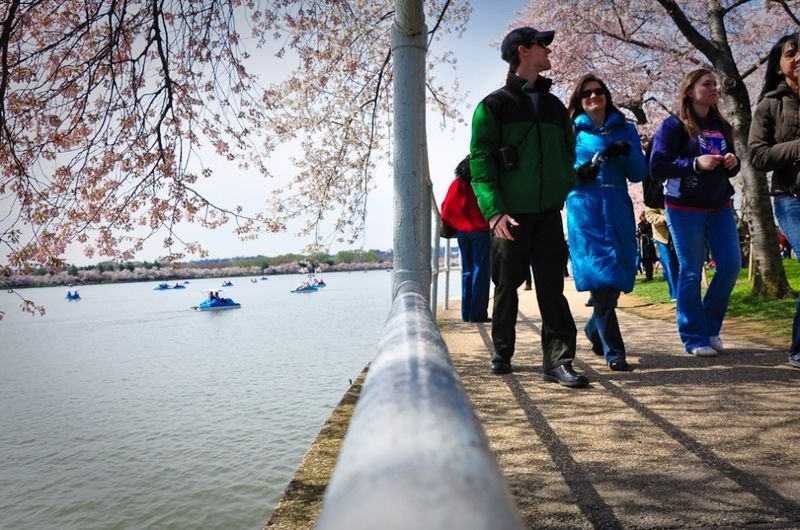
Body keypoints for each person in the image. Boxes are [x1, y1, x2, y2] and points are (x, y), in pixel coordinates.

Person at [470, 26, 588, 387]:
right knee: (507, 284)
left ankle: (558, 361)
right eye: (543, 45)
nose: (550, 51)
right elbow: (480, 162)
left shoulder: (555, 107)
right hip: (510, 215)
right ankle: (502, 351)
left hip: (548, 212)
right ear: (524, 51)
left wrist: (563, 183)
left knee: (552, 286)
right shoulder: (493, 106)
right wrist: (494, 212)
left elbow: (570, 153)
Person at [650, 68, 741, 357]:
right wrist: (694, 164)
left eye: (716, 83)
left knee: (730, 265)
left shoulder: (722, 126)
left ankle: (710, 327)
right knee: (690, 271)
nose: (715, 88)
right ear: (690, 91)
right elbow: (658, 165)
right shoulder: (673, 126)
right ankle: (693, 336)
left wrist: (732, 161)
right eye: (707, 83)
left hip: (719, 205)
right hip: (683, 206)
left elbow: (735, 166)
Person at [565, 74, 647, 372]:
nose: (593, 96)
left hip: (617, 207)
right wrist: (580, 170)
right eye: (586, 93)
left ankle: (593, 329)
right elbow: (562, 168)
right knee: (600, 281)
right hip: (585, 209)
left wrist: (627, 152)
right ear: (579, 99)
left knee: (616, 279)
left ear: (606, 95)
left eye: (599, 91)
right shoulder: (571, 130)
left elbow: (639, 173)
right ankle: (615, 352)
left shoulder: (626, 129)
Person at [748, 33, 800, 369]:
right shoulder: (771, 104)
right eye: (792, 53)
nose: (799, 58)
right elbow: (757, 154)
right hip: (791, 199)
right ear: (780, 66)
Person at [440, 155, 491, 323]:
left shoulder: (456, 184)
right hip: (480, 231)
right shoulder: (479, 183)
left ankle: (466, 312)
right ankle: (477, 313)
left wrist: (456, 223)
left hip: (462, 232)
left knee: (467, 271)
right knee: (481, 271)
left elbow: (446, 207)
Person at [645, 207, 679, 301]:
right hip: (662, 237)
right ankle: (674, 293)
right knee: (668, 262)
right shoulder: (654, 199)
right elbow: (650, 215)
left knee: (682, 262)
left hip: (678, 233)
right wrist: (665, 219)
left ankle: (685, 292)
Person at [636, 211, 656, 280]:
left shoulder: (648, 224)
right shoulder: (639, 224)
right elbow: (638, 233)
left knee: (649, 258)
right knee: (644, 259)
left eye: (644, 216)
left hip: (648, 243)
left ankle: (650, 275)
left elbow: (649, 231)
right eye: (643, 216)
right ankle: (648, 274)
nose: (644, 217)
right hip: (642, 243)